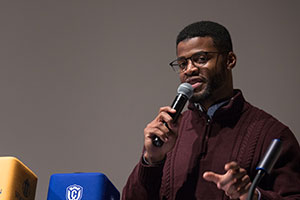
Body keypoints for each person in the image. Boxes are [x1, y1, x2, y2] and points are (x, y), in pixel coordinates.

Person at [122, 21, 300, 200]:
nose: (190, 70)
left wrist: (254, 196)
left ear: (229, 60)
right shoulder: (167, 133)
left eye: (201, 59)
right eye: (183, 64)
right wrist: (151, 160)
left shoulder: (273, 135)